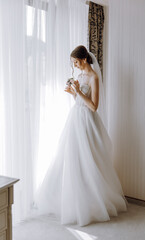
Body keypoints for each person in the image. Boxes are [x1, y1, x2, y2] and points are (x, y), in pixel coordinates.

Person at [34, 45, 127, 227]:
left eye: (76, 62)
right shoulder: (79, 76)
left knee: (89, 160)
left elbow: (93, 107)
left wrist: (78, 92)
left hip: (88, 123)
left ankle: (93, 201)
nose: (74, 65)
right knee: (73, 158)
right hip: (75, 119)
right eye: (73, 63)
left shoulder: (93, 77)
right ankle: (74, 199)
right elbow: (79, 102)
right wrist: (73, 93)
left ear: (84, 59)